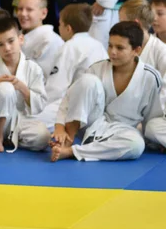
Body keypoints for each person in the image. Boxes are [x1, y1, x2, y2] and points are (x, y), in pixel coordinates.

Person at [51, 21, 163, 161]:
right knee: (87, 81)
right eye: (110, 45)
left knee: (136, 145)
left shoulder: (150, 77)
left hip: (122, 130)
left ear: (137, 50)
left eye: (120, 48)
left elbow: (152, 116)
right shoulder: (96, 69)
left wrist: (155, 142)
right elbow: (69, 98)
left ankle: (72, 152)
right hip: (91, 124)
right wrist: (59, 126)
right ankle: (68, 139)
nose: (112, 52)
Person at [0, 17, 49, 153]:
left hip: (19, 120)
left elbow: (40, 105)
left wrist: (22, 87)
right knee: (4, 87)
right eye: (0, 44)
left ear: (21, 39)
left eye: (11, 41)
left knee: (42, 137)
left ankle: (9, 138)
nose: (7, 48)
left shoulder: (33, 68)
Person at [33, 3, 108, 130]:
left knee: (31, 121)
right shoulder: (99, 45)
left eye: (60, 24)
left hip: (77, 107)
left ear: (68, 28)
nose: (59, 28)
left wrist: (41, 106)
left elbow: (56, 88)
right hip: (99, 109)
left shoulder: (70, 46)